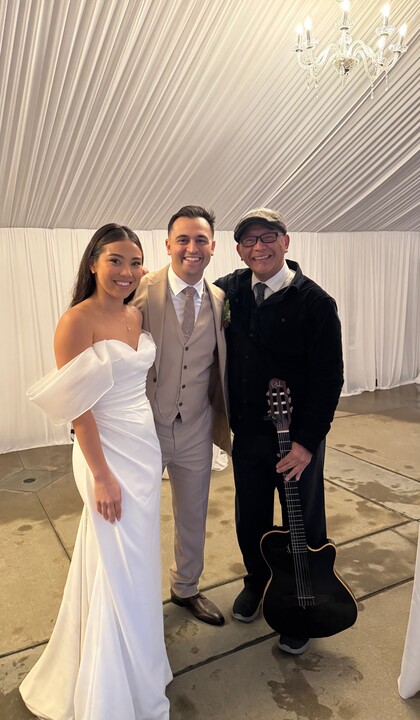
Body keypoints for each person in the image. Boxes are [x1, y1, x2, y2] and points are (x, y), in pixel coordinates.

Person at [20, 224, 172, 720]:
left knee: (132, 559)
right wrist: (101, 475)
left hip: (143, 448)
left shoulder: (135, 314)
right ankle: (110, 687)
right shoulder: (76, 321)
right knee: (116, 557)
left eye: (135, 262)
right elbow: (79, 410)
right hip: (102, 451)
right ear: (93, 263)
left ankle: (137, 663)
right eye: (115, 261)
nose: (126, 272)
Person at [215, 208, 344, 654]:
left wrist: (307, 443)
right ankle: (257, 580)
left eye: (268, 237)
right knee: (250, 516)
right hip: (249, 435)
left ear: (286, 242)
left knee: (302, 520)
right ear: (239, 250)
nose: (259, 247)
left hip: (297, 439)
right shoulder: (231, 290)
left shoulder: (315, 303)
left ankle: (303, 595)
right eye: (249, 241)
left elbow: (329, 378)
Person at [133, 205, 230, 626]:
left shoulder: (220, 299)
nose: (193, 248)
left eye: (201, 240)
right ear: (168, 245)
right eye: (184, 240)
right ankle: (133, 599)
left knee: (193, 514)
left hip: (196, 426)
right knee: (135, 519)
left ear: (213, 246)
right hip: (145, 427)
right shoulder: (139, 289)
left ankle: (186, 587)